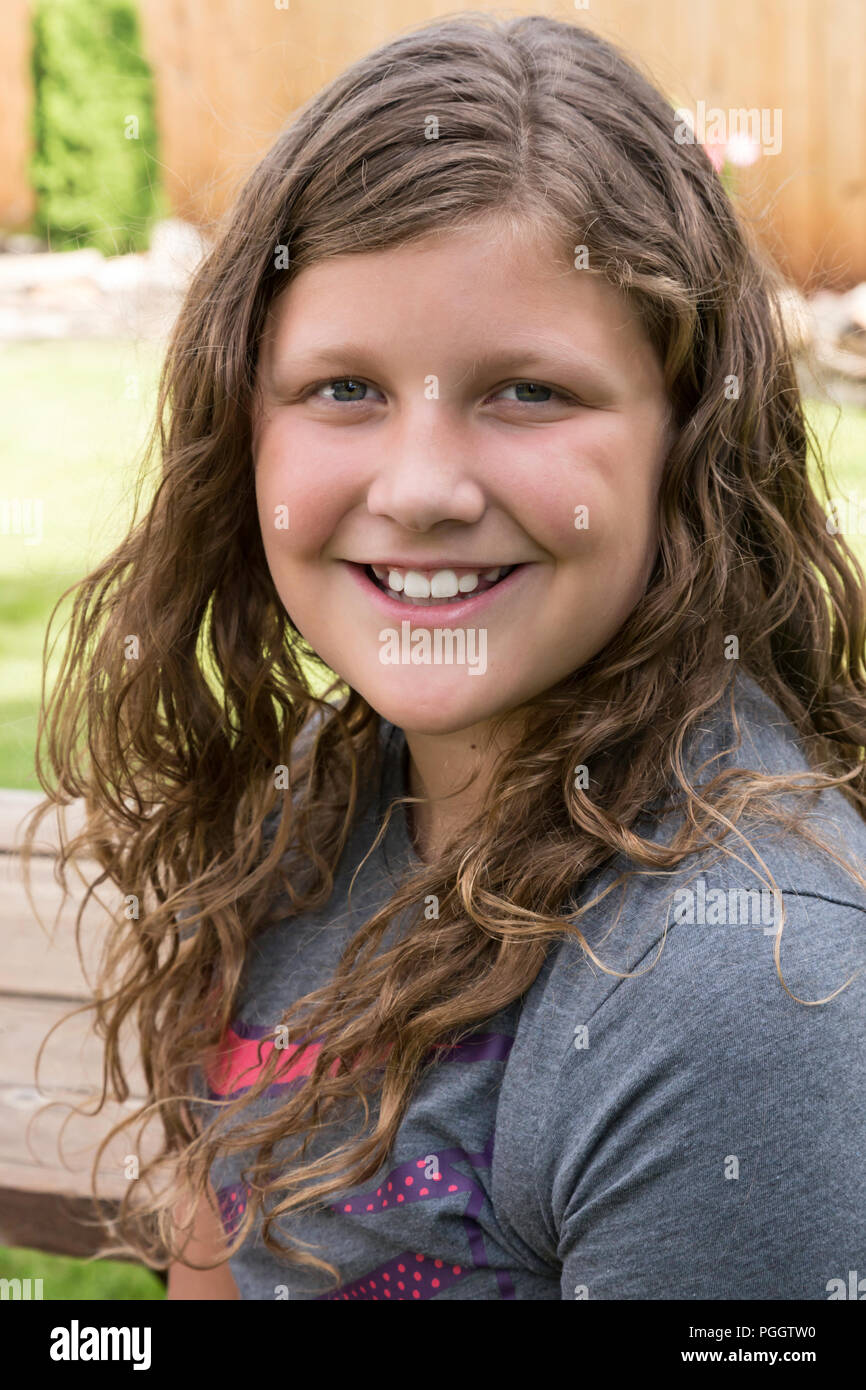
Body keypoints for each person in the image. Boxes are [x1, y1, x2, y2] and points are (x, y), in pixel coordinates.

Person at [25, 12, 866, 1300]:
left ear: (686, 444)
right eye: (343, 388)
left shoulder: (738, 988)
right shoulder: (326, 793)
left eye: (528, 391)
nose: (419, 489)